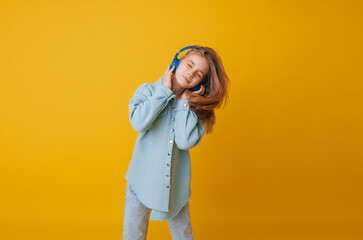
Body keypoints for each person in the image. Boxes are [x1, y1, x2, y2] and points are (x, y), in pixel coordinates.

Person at [123, 45, 230, 239]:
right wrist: (164, 92)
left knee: (182, 233)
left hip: (175, 186)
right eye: (189, 65)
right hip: (140, 181)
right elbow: (138, 122)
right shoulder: (148, 90)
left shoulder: (195, 112)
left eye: (198, 74)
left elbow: (183, 141)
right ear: (176, 62)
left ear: (201, 83)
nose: (190, 73)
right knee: (133, 233)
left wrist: (183, 103)